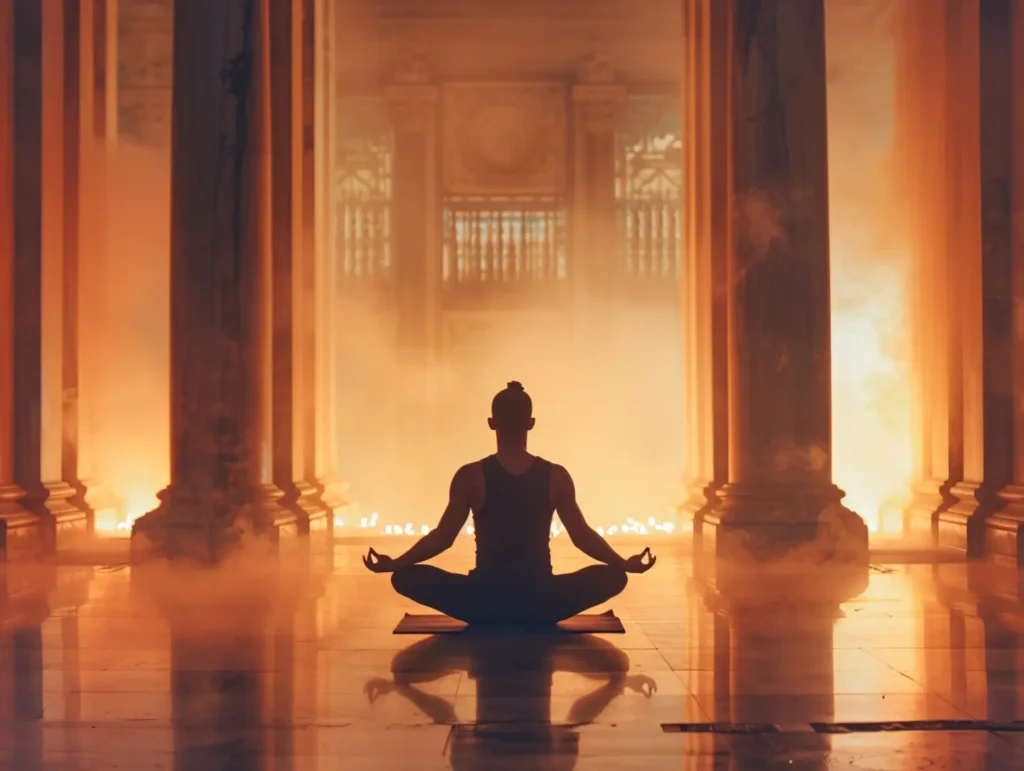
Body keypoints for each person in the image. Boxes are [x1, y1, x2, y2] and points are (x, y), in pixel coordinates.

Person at [362, 380, 656, 626]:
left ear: (492, 423)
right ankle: (531, 613)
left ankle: (494, 612)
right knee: (614, 577)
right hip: (541, 600)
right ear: (531, 423)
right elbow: (581, 536)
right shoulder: (556, 476)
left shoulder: (470, 476)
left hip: (485, 601)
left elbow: (443, 537)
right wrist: (622, 563)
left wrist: (397, 563)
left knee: (405, 577)